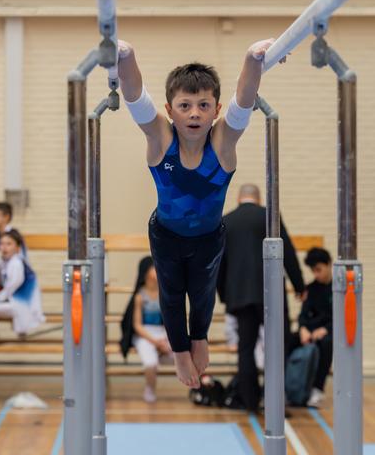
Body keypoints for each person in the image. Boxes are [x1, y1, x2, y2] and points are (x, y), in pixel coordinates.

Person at [117, 36, 284, 389]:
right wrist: (125, 55)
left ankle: (200, 337)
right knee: (172, 292)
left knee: (204, 291)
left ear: (216, 109)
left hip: (210, 236)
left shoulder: (223, 141)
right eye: (185, 105)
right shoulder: (160, 137)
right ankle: (180, 351)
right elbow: (134, 96)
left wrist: (253, 59)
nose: (194, 113)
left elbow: (245, 98)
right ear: (169, 109)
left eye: (203, 105)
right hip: (165, 234)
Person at [217, 183, 305, 412]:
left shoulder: (227, 220)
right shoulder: (270, 217)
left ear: (239, 199)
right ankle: (274, 402)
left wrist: (224, 294)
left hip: (240, 295)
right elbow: (288, 252)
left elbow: (218, 261)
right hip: (271, 293)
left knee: (245, 348)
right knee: (277, 346)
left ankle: (249, 402)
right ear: (258, 199)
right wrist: (299, 284)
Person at [0, 230, 44, 342]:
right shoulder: (8, 262)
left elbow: (9, 289)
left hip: (23, 305)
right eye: (1, 244)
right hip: (14, 300)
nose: (4, 247)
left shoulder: (16, 263)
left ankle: (17, 332)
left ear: (18, 248)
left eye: (9, 244)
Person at [290, 247, 333, 408]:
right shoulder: (311, 289)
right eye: (313, 271)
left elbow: (340, 317)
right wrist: (303, 329)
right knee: (287, 340)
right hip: (309, 330)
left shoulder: (338, 289)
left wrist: (326, 329)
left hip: (328, 332)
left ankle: (317, 389)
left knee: (327, 343)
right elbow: (303, 314)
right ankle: (287, 388)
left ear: (329, 265)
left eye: (319, 270)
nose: (316, 274)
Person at [131, 257, 173, 402]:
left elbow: (169, 321)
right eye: (154, 268)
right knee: (150, 363)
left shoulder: (164, 294)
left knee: (182, 355)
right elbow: (137, 325)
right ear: (146, 272)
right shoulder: (140, 296)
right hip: (145, 334)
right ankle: (150, 388)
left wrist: (165, 339)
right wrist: (154, 342)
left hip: (162, 333)